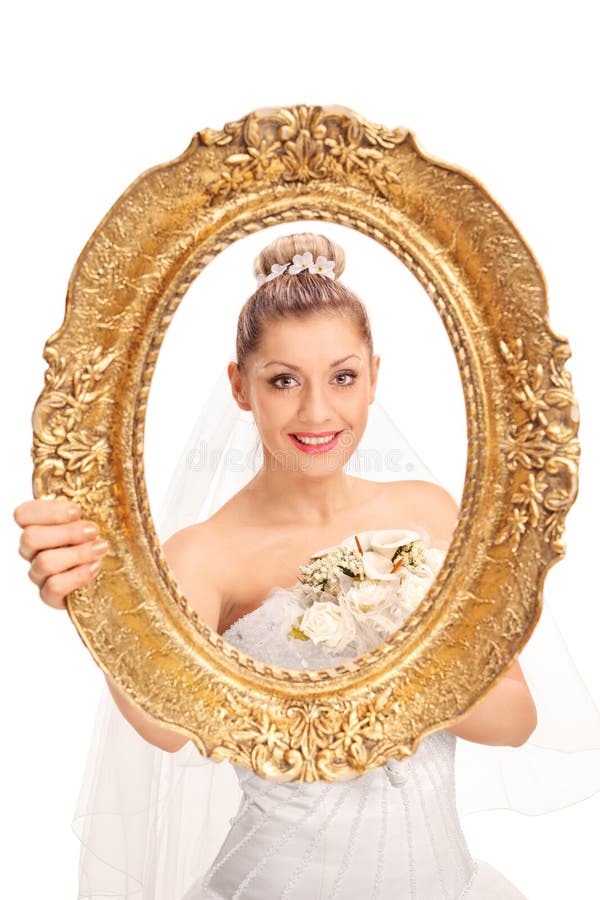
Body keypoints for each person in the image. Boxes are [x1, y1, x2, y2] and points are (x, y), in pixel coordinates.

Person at [14, 232, 600, 898]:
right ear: (241, 387)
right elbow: (164, 726)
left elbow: (516, 719)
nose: (317, 411)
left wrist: (392, 647)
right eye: (283, 380)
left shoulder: (429, 514)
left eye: (342, 377)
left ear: (373, 377)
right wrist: (93, 599)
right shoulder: (206, 553)